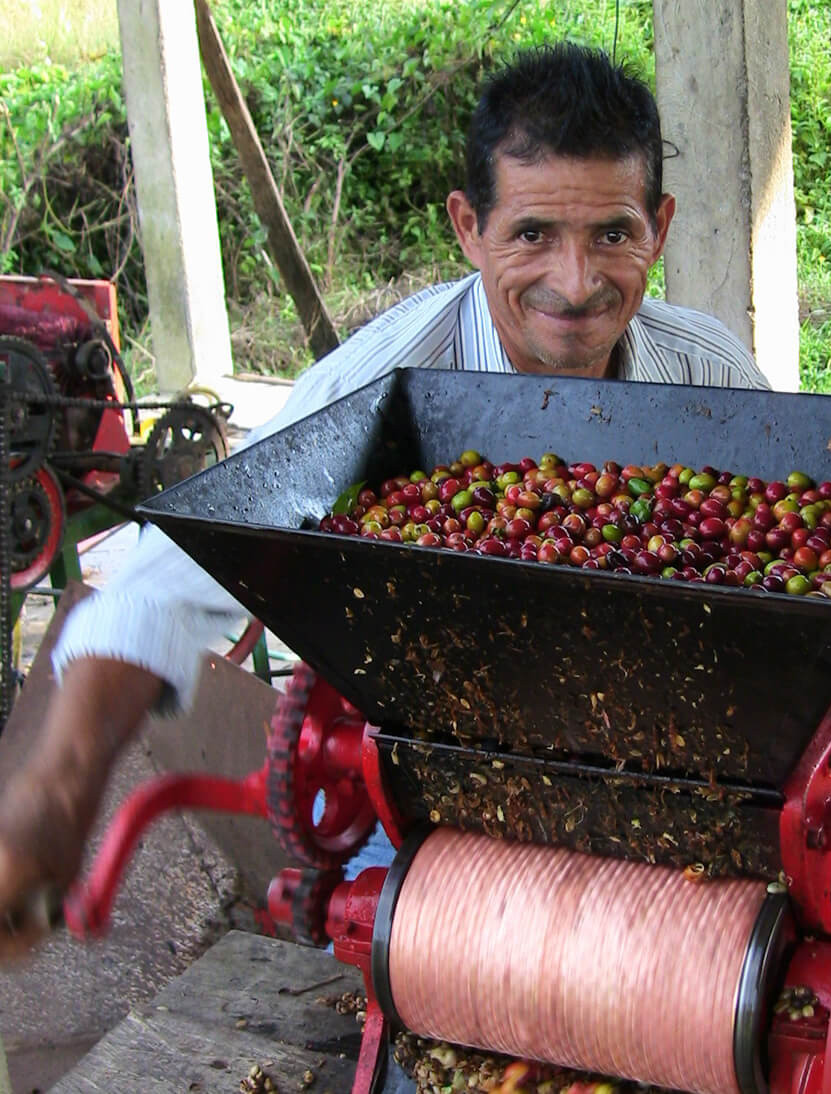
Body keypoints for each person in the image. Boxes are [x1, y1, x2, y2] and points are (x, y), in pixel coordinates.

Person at [0, 42, 773, 956]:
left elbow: (806, 583)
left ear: (662, 226)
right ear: (468, 227)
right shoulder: (377, 393)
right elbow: (165, 585)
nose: (576, 281)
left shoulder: (708, 372)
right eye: (531, 235)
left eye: (613, 233)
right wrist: (58, 790)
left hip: (675, 783)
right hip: (439, 806)